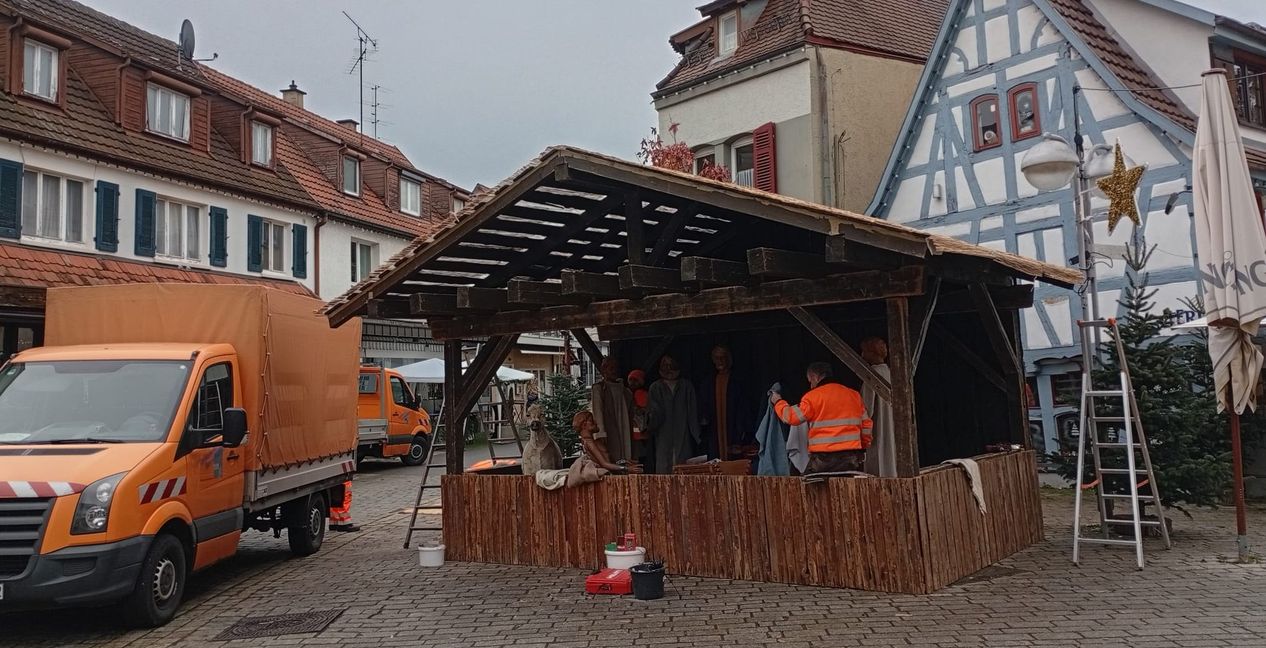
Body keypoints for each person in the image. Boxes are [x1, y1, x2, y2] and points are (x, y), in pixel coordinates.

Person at [771, 361, 873, 476]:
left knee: (810, 486)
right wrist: (862, 448)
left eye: (810, 382)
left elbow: (790, 417)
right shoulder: (854, 395)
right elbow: (867, 425)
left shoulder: (812, 397)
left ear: (815, 377)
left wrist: (778, 402)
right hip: (850, 458)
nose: (810, 386)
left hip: (823, 460)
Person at [698, 345, 756, 461]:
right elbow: (703, 405)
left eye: (723, 358)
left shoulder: (737, 381)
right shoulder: (708, 383)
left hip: (734, 428)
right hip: (714, 428)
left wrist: (743, 428)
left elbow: (743, 407)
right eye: (717, 358)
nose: (720, 361)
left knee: (734, 457)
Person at [646, 354, 700, 473]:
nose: (669, 369)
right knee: (663, 465)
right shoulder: (655, 388)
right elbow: (653, 414)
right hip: (663, 435)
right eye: (665, 366)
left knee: (684, 465)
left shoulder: (686, 386)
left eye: (671, 365)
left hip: (683, 432)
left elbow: (692, 412)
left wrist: (698, 436)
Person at [860, 337, 897, 477]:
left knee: (879, 462)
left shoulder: (871, 375)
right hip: (892, 425)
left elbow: (865, 409)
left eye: (864, 351)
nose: (862, 355)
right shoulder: (891, 373)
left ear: (872, 353)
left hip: (878, 429)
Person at [590, 357, 634, 465]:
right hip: (609, 430)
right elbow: (598, 411)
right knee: (612, 454)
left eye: (615, 368)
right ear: (604, 370)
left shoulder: (625, 391)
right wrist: (600, 433)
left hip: (625, 428)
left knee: (626, 453)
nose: (614, 371)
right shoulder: (599, 388)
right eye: (610, 368)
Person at [573, 410, 642, 474]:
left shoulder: (592, 442)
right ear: (584, 425)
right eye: (591, 421)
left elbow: (606, 461)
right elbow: (604, 464)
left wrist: (623, 462)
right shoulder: (589, 443)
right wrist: (626, 468)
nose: (595, 423)